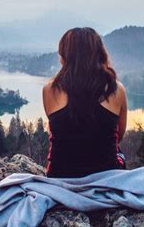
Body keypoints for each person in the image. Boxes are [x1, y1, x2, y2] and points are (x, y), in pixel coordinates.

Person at [42, 27, 127, 178]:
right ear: (100, 53)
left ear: (64, 56)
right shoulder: (116, 89)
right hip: (107, 175)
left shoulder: (50, 90)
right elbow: (118, 136)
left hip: (60, 177)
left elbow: (59, 133)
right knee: (118, 152)